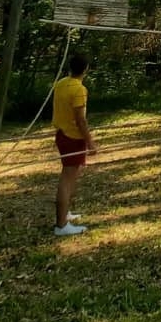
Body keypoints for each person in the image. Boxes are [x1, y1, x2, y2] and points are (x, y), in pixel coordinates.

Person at [52, 53, 97, 237]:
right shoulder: (79, 89)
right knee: (67, 178)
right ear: (86, 69)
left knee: (72, 175)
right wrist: (90, 142)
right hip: (72, 137)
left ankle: (65, 214)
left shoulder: (61, 83)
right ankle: (61, 226)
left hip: (62, 134)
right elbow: (81, 120)